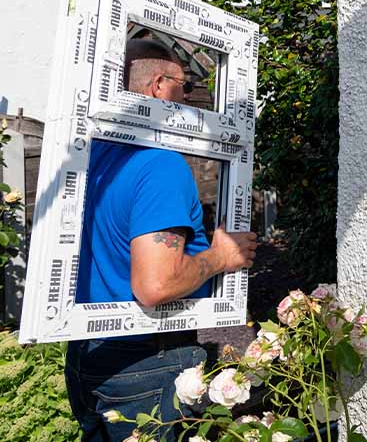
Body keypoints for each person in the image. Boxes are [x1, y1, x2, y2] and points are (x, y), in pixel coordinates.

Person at [65, 38, 258, 441]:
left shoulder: (95, 156)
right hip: (145, 356)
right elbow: (156, 285)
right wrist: (221, 256)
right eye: (184, 86)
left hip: (91, 351)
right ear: (158, 87)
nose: (189, 98)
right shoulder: (159, 164)